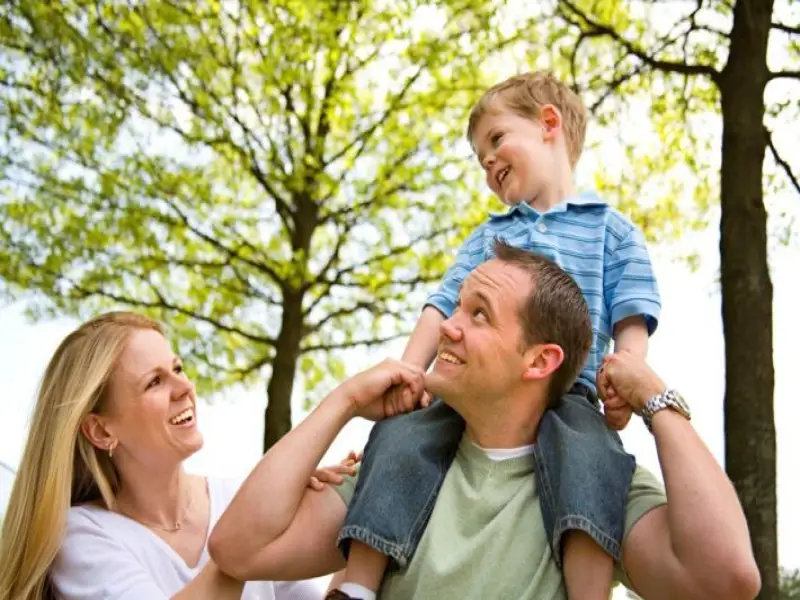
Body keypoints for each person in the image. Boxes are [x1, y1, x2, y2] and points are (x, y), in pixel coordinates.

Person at [209, 244, 760, 600]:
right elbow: (238, 548)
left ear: (539, 361)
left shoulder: (596, 482)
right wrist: (344, 402)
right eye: (456, 308)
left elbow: (728, 578)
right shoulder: (402, 468)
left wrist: (654, 398)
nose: (448, 327)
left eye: (478, 314)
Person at [331, 70, 662, 599]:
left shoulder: (610, 229)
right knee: (398, 440)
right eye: (480, 159)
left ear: (548, 124)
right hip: (476, 392)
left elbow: (632, 313)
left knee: (593, 462)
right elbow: (442, 305)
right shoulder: (491, 235)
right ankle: (358, 585)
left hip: (570, 390)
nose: (488, 163)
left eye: (496, 140)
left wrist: (624, 378)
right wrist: (413, 373)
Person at [0, 312, 323, 600]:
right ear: (101, 431)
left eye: (178, 368)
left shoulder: (237, 498)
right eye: (154, 382)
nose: (184, 386)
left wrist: (359, 496)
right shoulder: (82, 536)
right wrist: (247, 537)